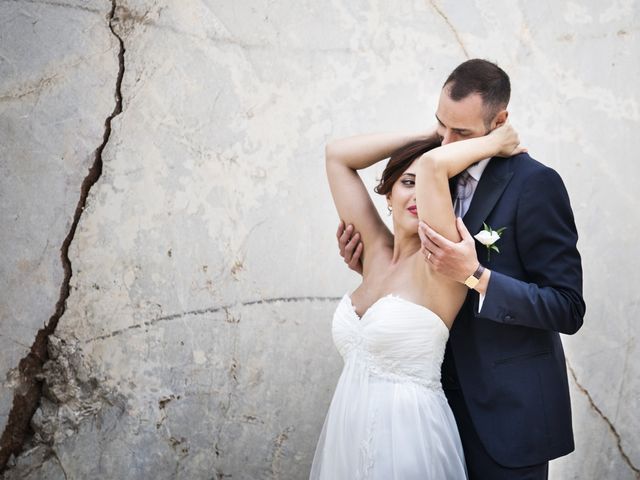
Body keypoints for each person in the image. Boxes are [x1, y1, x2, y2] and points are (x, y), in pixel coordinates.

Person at [336, 59, 586, 479]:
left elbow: (567, 308)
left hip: (506, 414)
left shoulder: (535, 185)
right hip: (427, 411)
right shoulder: (433, 168)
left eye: (462, 134)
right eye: (440, 126)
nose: (446, 142)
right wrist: (372, 273)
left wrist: (477, 276)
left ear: (500, 120)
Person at [309, 101, 524, 477]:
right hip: (349, 430)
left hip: (410, 438)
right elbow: (337, 155)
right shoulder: (373, 251)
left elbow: (433, 167)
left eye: (429, 188)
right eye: (408, 184)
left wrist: (495, 142)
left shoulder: (440, 260)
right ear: (387, 194)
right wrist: (433, 136)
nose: (418, 194)